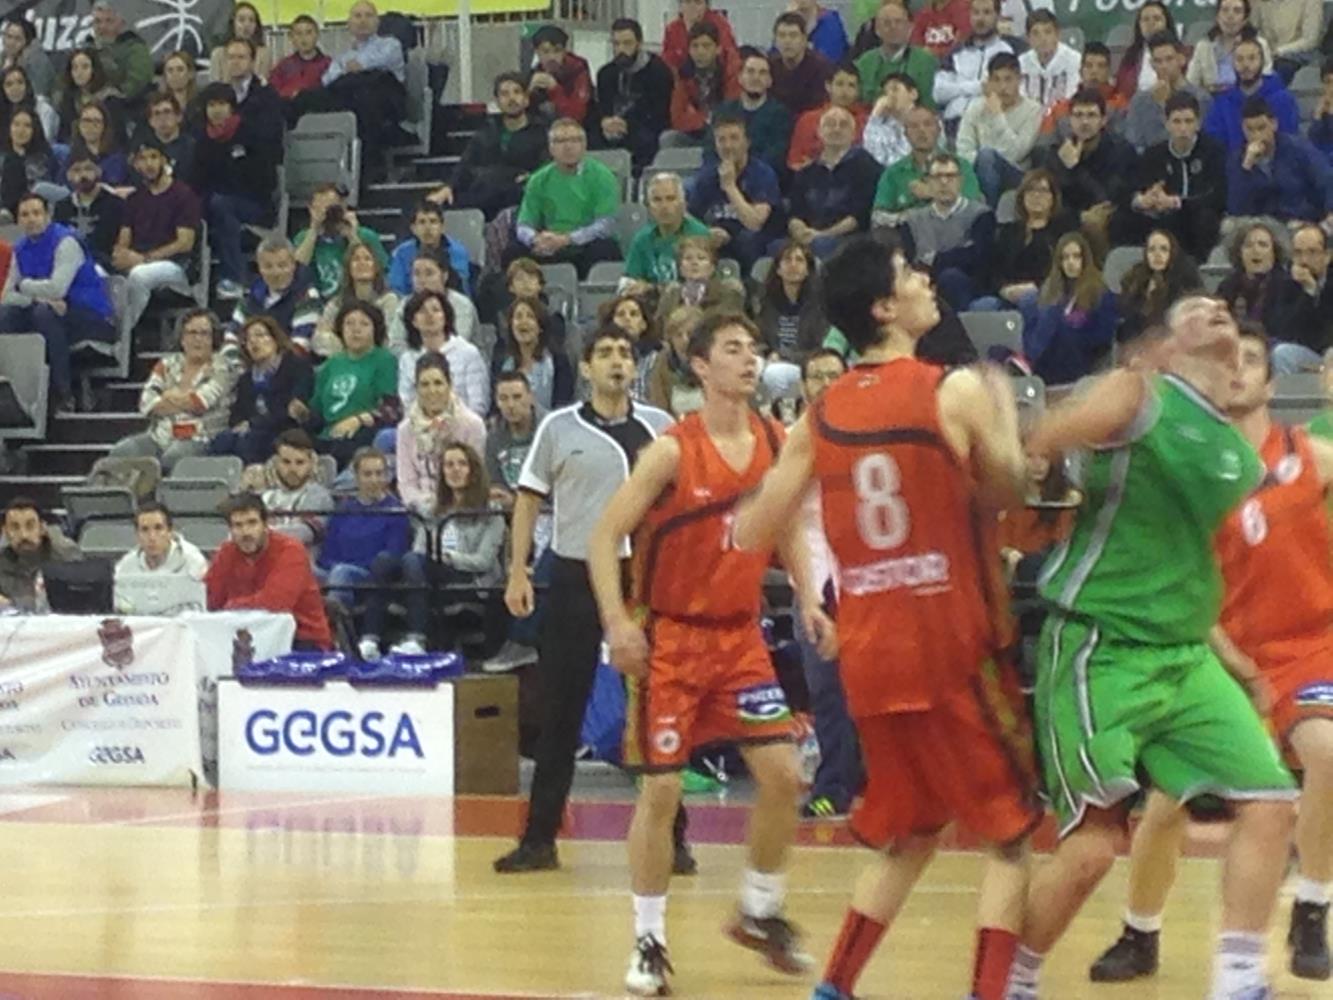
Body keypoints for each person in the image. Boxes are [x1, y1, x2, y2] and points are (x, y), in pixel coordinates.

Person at [731, 233, 1036, 1000]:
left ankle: (832, 988)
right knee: (1009, 837)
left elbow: (752, 526)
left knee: (912, 830)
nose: (924, 278)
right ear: (882, 307)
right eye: (908, 274)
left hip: (870, 651)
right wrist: (1003, 429)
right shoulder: (954, 390)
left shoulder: (822, 410)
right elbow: (1008, 493)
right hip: (949, 640)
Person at [1009, 295, 1299, 1000]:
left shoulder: (1238, 449)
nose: (1220, 314)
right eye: (1199, 311)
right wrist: (1034, 469)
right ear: (1165, 347)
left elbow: (1193, 560)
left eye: (1229, 313)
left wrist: (1235, 660)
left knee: (1269, 801)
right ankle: (1007, 979)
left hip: (1182, 654)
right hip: (1099, 646)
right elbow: (1041, 439)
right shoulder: (1137, 396)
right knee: (1090, 848)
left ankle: (1236, 979)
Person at [1086, 328, 1333, 984]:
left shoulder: (1311, 455)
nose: (1238, 371)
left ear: (1271, 386)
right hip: (1218, 654)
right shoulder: (1193, 471)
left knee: (1326, 752)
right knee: (1166, 805)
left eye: (1251, 360)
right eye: (1226, 362)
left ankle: (1311, 906)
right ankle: (1139, 932)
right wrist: (1230, 661)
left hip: (1307, 647)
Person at [587, 313, 821, 996]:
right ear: (700, 366)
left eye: (753, 349)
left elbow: (786, 530)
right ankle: (649, 940)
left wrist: (809, 597)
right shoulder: (669, 452)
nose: (748, 361)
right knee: (661, 789)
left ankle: (758, 910)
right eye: (732, 350)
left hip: (739, 637)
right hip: (671, 639)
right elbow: (605, 539)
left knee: (783, 777)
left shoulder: (775, 443)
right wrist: (616, 623)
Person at [492, 328, 681, 875]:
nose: (617, 361)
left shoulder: (662, 428)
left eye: (625, 352)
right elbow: (528, 501)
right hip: (575, 571)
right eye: (606, 353)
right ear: (587, 367)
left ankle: (677, 839)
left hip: (642, 576)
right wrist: (518, 570)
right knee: (561, 708)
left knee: (656, 705)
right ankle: (539, 838)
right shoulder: (558, 426)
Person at [786, 349, 863, 819]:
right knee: (827, 687)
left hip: (863, 575)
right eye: (817, 375)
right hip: (813, 577)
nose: (826, 382)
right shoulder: (795, 438)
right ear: (804, 386)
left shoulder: (864, 431)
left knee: (875, 685)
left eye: (835, 374)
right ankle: (833, 783)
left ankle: (884, 781)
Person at [0, 191, 115, 412]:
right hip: (50, 311)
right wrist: (36, 297)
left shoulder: (66, 242)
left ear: (48, 215)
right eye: (24, 215)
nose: (31, 219)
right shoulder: (20, 248)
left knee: (43, 314)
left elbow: (57, 288)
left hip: (91, 316)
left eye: (36, 213)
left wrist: (25, 286)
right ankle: (16, 395)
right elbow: (6, 296)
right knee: (6, 315)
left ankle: (64, 394)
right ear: (18, 220)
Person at [108, 308, 236, 472]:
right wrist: (182, 400)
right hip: (160, 437)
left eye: (204, 333)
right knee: (122, 452)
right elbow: (146, 402)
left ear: (214, 339)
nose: (197, 339)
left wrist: (167, 397)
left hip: (200, 437)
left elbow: (200, 402)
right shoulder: (167, 364)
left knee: (172, 458)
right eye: (191, 333)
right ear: (182, 338)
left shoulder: (223, 368)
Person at [316, 447, 412, 660]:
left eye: (379, 474)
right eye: (367, 474)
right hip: (335, 569)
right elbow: (327, 552)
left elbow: (392, 556)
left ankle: (334, 642)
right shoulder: (343, 510)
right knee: (304, 570)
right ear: (356, 477)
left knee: (342, 574)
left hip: (372, 577)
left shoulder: (396, 512)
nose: (374, 480)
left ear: (387, 476)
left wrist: (340, 568)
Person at [207, 492, 333, 650]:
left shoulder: (291, 550)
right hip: (247, 637)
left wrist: (231, 605)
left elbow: (274, 604)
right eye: (238, 525)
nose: (246, 532)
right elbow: (210, 599)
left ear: (266, 524)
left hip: (302, 639)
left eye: (252, 523)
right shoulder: (226, 552)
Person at [1111, 91, 1227, 262]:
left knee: (1203, 219)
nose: (1183, 128)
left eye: (1188, 121)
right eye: (1177, 121)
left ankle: (1200, 270)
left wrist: (1177, 202)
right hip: (1163, 214)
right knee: (1121, 220)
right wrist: (1142, 200)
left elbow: (1218, 194)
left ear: (1198, 123)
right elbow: (1131, 187)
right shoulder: (1154, 154)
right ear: (1167, 124)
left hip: (1198, 213)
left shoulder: (1213, 151)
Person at [193, 75, 282, 299]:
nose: (216, 110)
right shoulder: (201, 141)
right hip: (216, 205)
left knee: (221, 205)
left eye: (221, 104)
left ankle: (235, 277)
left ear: (232, 107)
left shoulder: (250, 133)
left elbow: (266, 178)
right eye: (211, 105)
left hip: (254, 202)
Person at [427, 72, 549, 219]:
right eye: (504, 94)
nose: (511, 98)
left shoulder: (541, 133)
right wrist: (448, 187)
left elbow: (545, 168)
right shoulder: (486, 133)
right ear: (497, 101)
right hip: (485, 193)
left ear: (526, 99)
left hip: (522, 195)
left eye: (517, 92)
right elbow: (465, 164)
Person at [509, 118, 621, 278]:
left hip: (585, 244)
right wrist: (535, 239)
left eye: (575, 140)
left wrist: (568, 239)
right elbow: (524, 224)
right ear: (551, 147)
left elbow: (606, 225)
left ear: (584, 146)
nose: (568, 146)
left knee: (605, 248)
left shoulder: (603, 176)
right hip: (549, 245)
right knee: (513, 252)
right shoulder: (538, 179)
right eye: (560, 141)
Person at [295, 301, 400, 469]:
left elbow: (390, 409)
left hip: (362, 431)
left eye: (364, 324)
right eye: (349, 323)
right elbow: (317, 412)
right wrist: (302, 413)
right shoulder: (332, 363)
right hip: (328, 434)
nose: (355, 330)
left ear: (375, 329)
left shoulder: (384, 360)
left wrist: (357, 420)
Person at [113, 137, 200, 333]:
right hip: (139, 261)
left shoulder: (183, 194)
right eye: (142, 159)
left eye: (153, 157)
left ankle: (121, 336)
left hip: (176, 266)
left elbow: (184, 243)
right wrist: (121, 255)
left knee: (138, 275)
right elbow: (123, 239)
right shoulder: (135, 199)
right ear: (135, 165)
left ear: (164, 160)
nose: (149, 164)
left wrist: (143, 259)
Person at [1035, 88, 1136, 249]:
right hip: (1072, 220)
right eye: (1078, 115)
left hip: (1110, 221)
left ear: (1103, 120)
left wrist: (1075, 168)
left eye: (1091, 115)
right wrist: (1080, 217)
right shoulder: (1057, 153)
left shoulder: (1121, 151)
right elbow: (1052, 201)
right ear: (1070, 121)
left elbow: (1106, 199)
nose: (1084, 122)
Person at [210, 315, 315, 466]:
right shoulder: (246, 379)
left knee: (248, 442)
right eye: (247, 339)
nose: (253, 342)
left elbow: (293, 409)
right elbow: (237, 414)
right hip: (253, 432)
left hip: (285, 431)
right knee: (221, 441)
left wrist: (253, 424)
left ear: (275, 339)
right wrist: (243, 424)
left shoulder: (296, 367)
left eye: (259, 335)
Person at [687, 113, 783, 275]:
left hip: (753, 241)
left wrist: (730, 187)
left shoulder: (762, 174)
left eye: (734, 138)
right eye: (721, 140)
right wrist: (705, 232)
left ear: (747, 142)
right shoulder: (707, 176)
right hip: (716, 239)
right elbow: (690, 217)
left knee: (747, 240)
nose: (728, 145)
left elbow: (754, 223)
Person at [310, 0, 407, 158]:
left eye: (368, 16)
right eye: (357, 16)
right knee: (309, 98)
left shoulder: (391, 44)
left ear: (377, 22)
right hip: (352, 101)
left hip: (385, 103)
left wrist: (357, 66)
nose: (362, 20)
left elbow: (373, 63)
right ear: (349, 23)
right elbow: (327, 80)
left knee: (363, 90)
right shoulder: (343, 56)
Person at [900, 151, 996, 311]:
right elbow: (911, 263)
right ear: (928, 181)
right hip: (924, 288)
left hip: (968, 288)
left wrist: (934, 259)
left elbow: (980, 260)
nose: (944, 182)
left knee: (951, 277)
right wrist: (958, 255)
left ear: (960, 181)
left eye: (950, 176)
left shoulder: (981, 215)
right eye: (937, 177)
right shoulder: (912, 221)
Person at [396, 351, 487, 516]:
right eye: (424, 384)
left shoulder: (472, 425)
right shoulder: (405, 430)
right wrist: (427, 506)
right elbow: (406, 484)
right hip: (420, 513)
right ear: (416, 388)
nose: (432, 391)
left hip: (462, 511)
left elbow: (476, 478)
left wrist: (446, 507)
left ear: (450, 385)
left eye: (438, 383)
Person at [1022, 231, 1119, 384]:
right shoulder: (1049, 291)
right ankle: (1025, 362)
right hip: (1050, 357)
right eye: (1065, 258)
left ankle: (1026, 364)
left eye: (1076, 256)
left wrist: (1073, 331)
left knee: (1057, 324)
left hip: (1082, 356)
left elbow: (1104, 335)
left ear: (1085, 260)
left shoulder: (1101, 293)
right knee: (1032, 306)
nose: (1070, 262)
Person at [974, 167, 1075, 311]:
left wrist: (1034, 287)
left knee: (1029, 301)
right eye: (1031, 190)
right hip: (1008, 295)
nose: (1036, 196)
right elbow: (994, 270)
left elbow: (1062, 272)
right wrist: (1004, 289)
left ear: (1053, 198)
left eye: (1043, 191)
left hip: (1044, 296)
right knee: (982, 306)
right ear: (1022, 197)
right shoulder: (1007, 232)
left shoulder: (1061, 233)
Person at [783, 107, 879, 260]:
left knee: (822, 246)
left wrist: (822, 235)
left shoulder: (867, 167)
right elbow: (795, 212)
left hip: (849, 239)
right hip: (809, 236)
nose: (836, 129)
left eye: (843, 125)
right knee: (777, 248)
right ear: (819, 132)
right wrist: (800, 231)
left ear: (854, 134)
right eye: (830, 124)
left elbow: (859, 216)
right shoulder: (806, 173)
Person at [1227, 95, 1333, 224]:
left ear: (1274, 124)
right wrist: (1246, 167)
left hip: (1299, 220)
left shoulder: (1298, 149)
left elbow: (1326, 180)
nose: (1256, 135)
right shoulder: (1238, 160)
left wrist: (1330, 211)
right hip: (1259, 226)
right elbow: (1235, 208)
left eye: (1261, 128)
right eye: (1249, 130)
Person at [956, 51, 1043, 207]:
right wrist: (980, 162)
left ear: (1019, 80)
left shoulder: (1033, 110)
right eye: (996, 80)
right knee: (980, 160)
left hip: (1016, 175)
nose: (1003, 87)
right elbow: (963, 151)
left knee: (987, 155)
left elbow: (1016, 153)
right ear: (988, 82)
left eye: (1008, 79)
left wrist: (997, 115)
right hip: (979, 172)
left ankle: (987, 213)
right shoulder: (976, 107)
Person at [872, 105, 982, 226]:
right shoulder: (893, 173)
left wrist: (932, 193)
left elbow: (975, 208)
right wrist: (911, 218)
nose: (921, 130)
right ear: (905, 134)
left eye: (928, 124)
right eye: (914, 126)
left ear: (939, 129)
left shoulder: (960, 165)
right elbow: (878, 215)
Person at [595, 19, 673, 170]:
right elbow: (603, 107)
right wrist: (605, 121)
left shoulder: (658, 70)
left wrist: (627, 124)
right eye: (616, 44)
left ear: (639, 43)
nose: (621, 49)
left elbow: (660, 112)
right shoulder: (606, 73)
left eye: (627, 43)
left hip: (647, 127)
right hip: (613, 128)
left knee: (644, 140)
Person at [294, 183, 390, 302]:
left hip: (357, 300)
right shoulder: (303, 238)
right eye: (324, 209)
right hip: (317, 303)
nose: (330, 215)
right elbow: (296, 270)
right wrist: (314, 230)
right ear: (312, 209)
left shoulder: (366, 236)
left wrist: (352, 236)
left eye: (333, 209)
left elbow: (377, 273)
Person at [1203, 34, 1300, 152]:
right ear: (1232, 63)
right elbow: (1214, 143)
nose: (1246, 65)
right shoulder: (1222, 102)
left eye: (1252, 58)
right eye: (1239, 59)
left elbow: (1290, 143)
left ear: (1262, 61)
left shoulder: (1282, 99)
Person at [399, 289, 488, 416]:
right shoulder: (407, 358)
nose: (430, 315)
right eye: (422, 311)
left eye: (436, 310)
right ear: (413, 321)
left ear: (445, 317)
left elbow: (478, 405)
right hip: (420, 428)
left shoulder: (468, 353)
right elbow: (407, 402)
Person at [754, 241, 829, 389]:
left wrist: (784, 355)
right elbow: (759, 339)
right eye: (787, 260)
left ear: (808, 270)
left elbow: (819, 349)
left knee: (773, 374)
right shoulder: (766, 302)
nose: (793, 265)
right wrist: (766, 354)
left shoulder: (820, 305)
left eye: (800, 260)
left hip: (805, 364)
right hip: (770, 359)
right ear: (778, 269)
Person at [229, 236, 321, 356]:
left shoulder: (307, 296)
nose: (276, 273)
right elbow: (231, 337)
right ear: (259, 268)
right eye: (268, 266)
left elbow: (300, 345)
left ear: (293, 265)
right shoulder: (249, 296)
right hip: (250, 366)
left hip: (290, 368)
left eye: (282, 265)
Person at [933, 0, 1020, 125]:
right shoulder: (956, 52)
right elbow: (939, 92)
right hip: (955, 121)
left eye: (986, 12)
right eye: (976, 13)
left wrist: (956, 87)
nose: (980, 18)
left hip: (992, 122)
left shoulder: (1010, 49)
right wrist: (977, 87)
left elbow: (1011, 90)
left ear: (998, 15)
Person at [710, 46, 793, 174]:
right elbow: (709, 151)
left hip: (761, 179)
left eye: (762, 73)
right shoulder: (723, 111)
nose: (756, 77)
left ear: (770, 81)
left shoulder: (780, 115)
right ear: (740, 78)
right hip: (720, 174)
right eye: (750, 71)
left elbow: (775, 158)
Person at [312, 243, 402, 358]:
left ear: (376, 267)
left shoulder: (389, 300)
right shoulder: (337, 303)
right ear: (348, 267)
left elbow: (391, 338)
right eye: (356, 259)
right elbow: (319, 338)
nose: (362, 263)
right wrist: (346, 351)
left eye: (367, 259)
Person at [1124, 34, 1211, 153]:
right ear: (1152, 64)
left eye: (1169, 59)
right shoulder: (1140, 101)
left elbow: (1197, 141)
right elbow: (1134, 142)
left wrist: (1163, 105)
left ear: (1181, 59)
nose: (1164, 66)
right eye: (1158, 61)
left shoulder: (1201, 98)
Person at [623, 172, 712, 288]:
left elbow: (705, 282)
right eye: (657, 200)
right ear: (649, 206)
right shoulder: (642, 239)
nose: (664, 206)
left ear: (683, 203)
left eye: (670, 199)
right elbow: (630, 279)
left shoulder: (699, 234)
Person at [1116, 228, 1203, 341]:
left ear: (1172, 252)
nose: (1157, 255)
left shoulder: (1185, 280)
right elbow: (1126, 315)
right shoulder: (1134, 279)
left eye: (1164, 249)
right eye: (1152, 250)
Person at [257, 429, 334, 552]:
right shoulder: (266, 497)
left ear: (310, 464)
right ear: (276, 462)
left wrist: (257, 534)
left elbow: (305, 533)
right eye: (286, 462)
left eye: (300, 462)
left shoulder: (319, 497)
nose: (292, 469)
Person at [1218, 219, 1300, 334]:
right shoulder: (1227, 286)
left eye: (1263, 245)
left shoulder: (1288, 286)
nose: (1255, 250)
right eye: (1248, 245)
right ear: (1239, 252)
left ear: (1275, 252)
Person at [1270, 223, 1333, 372]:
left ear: (1327, 256)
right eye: (1298, 253)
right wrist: (1308, 293)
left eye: (1312, 252)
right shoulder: (1285, 284)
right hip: (1310, 353)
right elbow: (1287, 331)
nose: (1304, 260)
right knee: (1282, 353)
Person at [0, 497, 80, 609]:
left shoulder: (65, 555)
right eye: (15, 527)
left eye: (30, 526)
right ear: (5, 532)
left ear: (42, 528)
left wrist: (12, 603)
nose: (24, 535)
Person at [496, 297, 574, 411]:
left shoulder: (558, 360)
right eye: (518, 317)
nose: (523, 322)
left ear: (540, 326)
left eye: (530, 316)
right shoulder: (501, 361)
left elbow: (562, 404)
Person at [855, 0, 938, 106]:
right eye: (886, 23)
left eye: (898, 22)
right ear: (877, 30)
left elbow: (928, 104)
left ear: (909, 28)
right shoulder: (864, 63)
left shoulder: (926, 61)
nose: (893, 27)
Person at [788, 62, 869, 170]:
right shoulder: (808, 120)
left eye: (851, 85)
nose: (845, 91)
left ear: (858, 90)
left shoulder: (866, 122)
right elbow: (795, 160)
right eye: (840, 84)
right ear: (828, 86)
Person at [113, 502, 209, 592]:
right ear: (137, 535)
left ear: (170, 532)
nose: (152, 537)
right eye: (145, 530)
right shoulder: (125, 567)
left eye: (158, 528)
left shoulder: (193, 562)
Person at [53, 151, 124, 273]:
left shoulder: (116, 204)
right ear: (68, 175)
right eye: (76, 170)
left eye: (88, 169)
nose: (83, 175)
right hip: (70, 265)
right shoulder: (62, 207)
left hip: (105, 265)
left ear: (99, 171)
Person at [1040, 42, 1128, 139]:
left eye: (1101, 66)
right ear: (1080, 71)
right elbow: (1044, 144)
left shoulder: (1121, 107)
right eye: (1089, 66)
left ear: (1109, 71)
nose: (1094, 71)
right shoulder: (1060, 109)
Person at [387, 201, 473, 299]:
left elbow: (461, 289)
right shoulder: (401, 253)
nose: (427, 228)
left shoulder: (458, 252)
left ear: (442, 227)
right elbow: (397, 289)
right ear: (413, 229)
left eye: (433, 221)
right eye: (422, 222)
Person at [654, 236, 747, 322]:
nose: (694, 263)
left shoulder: (725, 292)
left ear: (712, 268)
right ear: (680, 268)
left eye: (701, 258)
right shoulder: (672, 294)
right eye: (688, 258)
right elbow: (660, 325)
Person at [1189, 0, 1274, 93]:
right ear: (1217, 17)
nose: (1230, 16)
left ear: (1245, 19)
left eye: (1237, 11)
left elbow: (1266, 79)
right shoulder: (1203, 46)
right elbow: (1191, 83)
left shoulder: (1260, 44)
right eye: (1225, 10)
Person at [485, 371, 540, 509]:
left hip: (547, 512)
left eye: (517, 397)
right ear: (496, 402)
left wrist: (516, 501)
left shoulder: (549, 429)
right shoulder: (494, 437)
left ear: (530, 397)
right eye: (503, 398)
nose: (510, 405)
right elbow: (494, 482)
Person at [645, 304, 705, 417]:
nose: (685, 340)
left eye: (690, 334)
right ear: (670, 339)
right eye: (678, 335)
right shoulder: (662, 363)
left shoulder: (714, 363)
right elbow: (659, 409)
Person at [90, 1, 152, 106]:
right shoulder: (87, 48)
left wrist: (118, 92)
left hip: (127, 108)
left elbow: (139, 81)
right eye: (98, 21)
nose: (103, 26)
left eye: (109, 21)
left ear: (120, 23)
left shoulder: (135, 48)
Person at [54, 46, 119, 147]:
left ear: (94, 69)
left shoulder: (109, 98)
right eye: (75, 68)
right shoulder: (69, 97)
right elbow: (63, 133)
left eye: (85, 67)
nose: (79, 73)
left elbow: (117, 136)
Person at [770, 13, 833, 117]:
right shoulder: (769, 67)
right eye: (782, 35)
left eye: (793, 35)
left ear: (804, 40)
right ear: (775, 41)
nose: (787, 41)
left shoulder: (821, 69)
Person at [1113, 1, 1179, 99]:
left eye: (1157, 19)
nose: (1151, 23)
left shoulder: (1180, 52)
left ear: (1166, 23)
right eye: (1145, 19)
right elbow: (1121, 91)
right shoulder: (1131, 56)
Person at [527, 25, 593, 124]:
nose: (552, 57)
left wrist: (555, 89)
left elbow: (576, 115)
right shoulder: (534, 73)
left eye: (557, 51)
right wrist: (528, 92)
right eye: (545, 51)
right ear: (537, 52)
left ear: (564, 51)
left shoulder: (577, 70)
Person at [1017, 11, 1079, 116]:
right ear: (1028, 38)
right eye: (1036, 33)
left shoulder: (1074, 60)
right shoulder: (1021, 63)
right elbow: (1019, 98)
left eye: (1048, 32)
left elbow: (1072, 95)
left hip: (1061, 120)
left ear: (1057, 34)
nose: (1043, 39)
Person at [0, 109, 59, 216]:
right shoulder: (3, 157)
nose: (20, 130)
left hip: (40, 209)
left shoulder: (45, 156)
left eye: (27, 126)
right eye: (16, 124)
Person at [268, 15, 331, 106]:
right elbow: (272, 91)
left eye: (308, 32)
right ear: (292, 38)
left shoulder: (328, 65)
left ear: (317, 35)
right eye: (298, 33)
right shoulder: (283, 66)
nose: (303, 38)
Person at [661, 0, 739, 73]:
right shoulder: (672, 29)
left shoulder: (720, 25)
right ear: (680, 5)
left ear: (706, 6)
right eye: (687, 2)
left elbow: (730, 58)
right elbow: (666, 62)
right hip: (682, 81)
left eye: (698, 3)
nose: (692, 7)